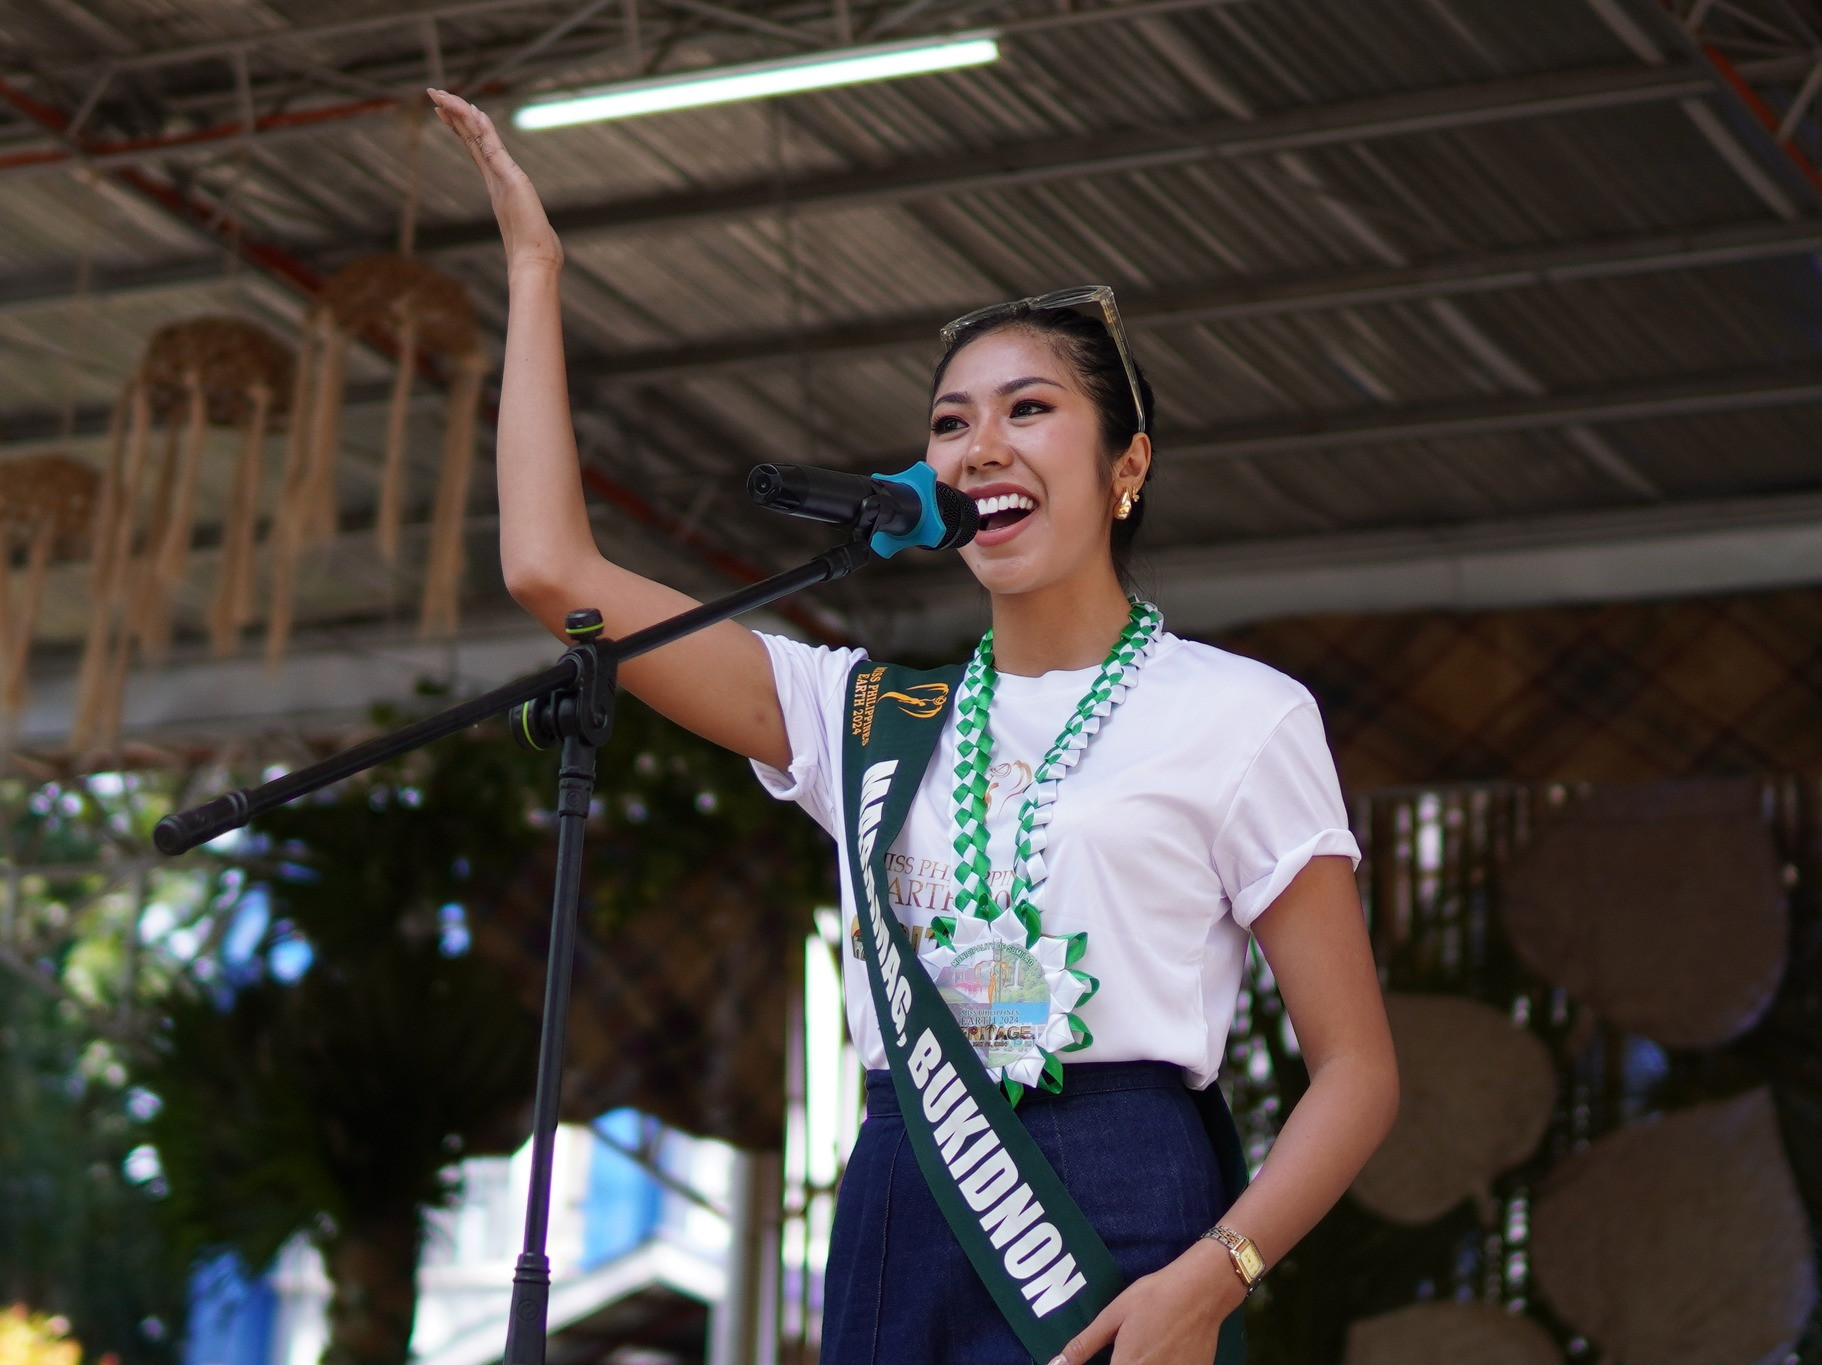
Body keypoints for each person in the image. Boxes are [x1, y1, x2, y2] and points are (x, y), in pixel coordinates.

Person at [428, 87, 1399, 1365]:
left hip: (1120, 1216)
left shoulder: (1241, 716)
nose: (979, 446)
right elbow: (557, 573)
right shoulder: (860, 712)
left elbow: (1358, 1073)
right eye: (950, 424)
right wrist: (537, 271)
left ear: (1128, 465)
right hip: (904, 1191)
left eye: (1026, 409)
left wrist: (1214, 1277)